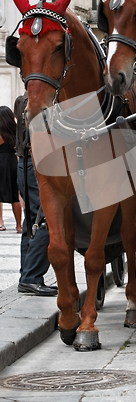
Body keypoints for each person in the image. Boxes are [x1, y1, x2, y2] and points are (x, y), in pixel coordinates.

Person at [14, 95, 57, 296]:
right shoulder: (39, 104)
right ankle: (31, 277)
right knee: (46, 219)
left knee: (31, 219)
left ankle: (26, 275)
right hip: (36, 164)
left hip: (25, 164)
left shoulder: (22, 102)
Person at [0, 106, 22, 232]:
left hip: (1, 161)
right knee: (15, 195)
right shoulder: (15, 130)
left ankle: (1, 223)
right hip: (13, 162)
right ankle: (19, 225)